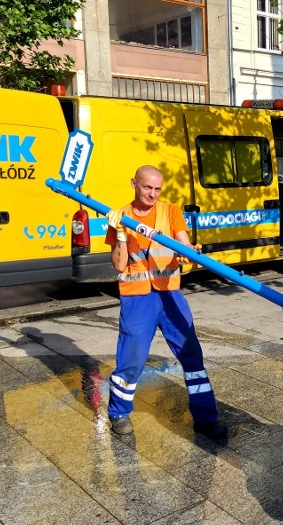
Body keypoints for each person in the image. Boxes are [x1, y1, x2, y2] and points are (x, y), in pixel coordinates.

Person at [104, 165, 226, 438]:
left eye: (157, 189)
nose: (152, 194)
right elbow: (119, 265)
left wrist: (189, 254)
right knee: (131, 360)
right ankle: (119, 413)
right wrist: (121, 236)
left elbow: (185, 245)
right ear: (133, 183)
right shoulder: (119, 217)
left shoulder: (170, 212)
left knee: (192, 354)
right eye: (147, 187)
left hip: (170, 295)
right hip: (138, 299)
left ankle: (206, 418)